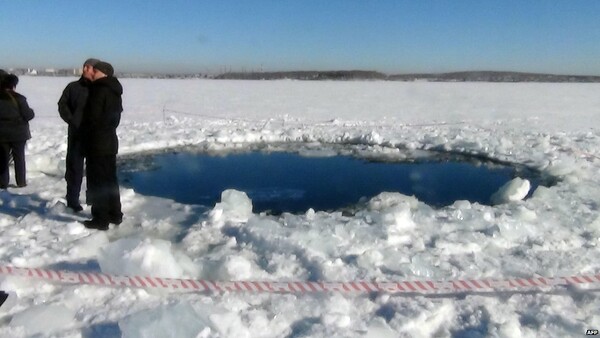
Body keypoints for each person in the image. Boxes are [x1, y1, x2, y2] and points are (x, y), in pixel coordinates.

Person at [80, 61, 123, 230]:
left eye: (95, 70)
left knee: (98, 181)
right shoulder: (114, 90)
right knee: (110, 179)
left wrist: (87, 132)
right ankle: (115, 214)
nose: (93, 73)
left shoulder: (99, 89)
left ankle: (100, 218)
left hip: (97, 142)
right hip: (110, 140)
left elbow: (93, 117)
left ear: (103, 73)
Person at [57, 58, 100, 212]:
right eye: (86, 67)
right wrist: (72, 120)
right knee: (74, 168)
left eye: (91, 68)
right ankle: (72, 200)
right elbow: (62, 105)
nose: (87, 70)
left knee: (94, 170)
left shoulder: (100, 89)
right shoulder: (73, 87)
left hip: (95, 136)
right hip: (76, 135)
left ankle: (93, 201)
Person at [0, 74, 35, 189]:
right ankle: (21, 182)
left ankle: (2, 183)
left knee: (2, 158)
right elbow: (28, 115)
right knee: (19, 158)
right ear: (13, 86)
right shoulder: (20, 98)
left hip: (2, 133)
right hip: (19, 133)